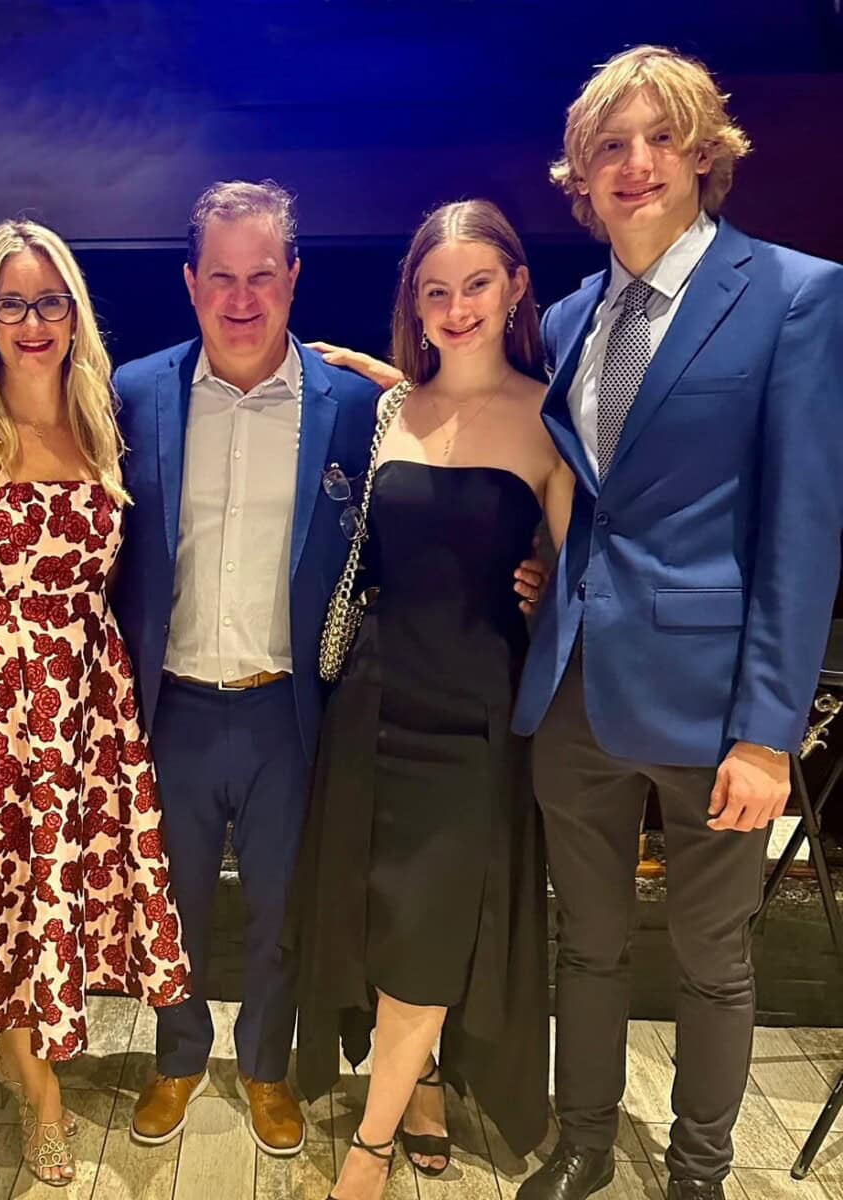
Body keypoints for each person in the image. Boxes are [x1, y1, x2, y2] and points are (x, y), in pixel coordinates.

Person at [110, 180, 549, 1157]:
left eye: (262, 274)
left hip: (293, 706)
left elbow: (439, 466)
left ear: (293, 276)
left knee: (282, 910)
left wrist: (541, 570)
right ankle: (179, 1056)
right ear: (190, 282)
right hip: (170, 706)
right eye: (220, 275)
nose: (241, 296)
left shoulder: (356, 405)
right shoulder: (132, 393)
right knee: (169, 904)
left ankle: (267, 1066)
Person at [508, 47, 843, 1200]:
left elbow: (802, 532)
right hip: (575, 693)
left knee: (711, 963)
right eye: (611, 145)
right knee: (586, 945)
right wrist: (549, 576)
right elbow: (592, 496)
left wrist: (768, 731)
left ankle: (700, 1174)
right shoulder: (566, 318)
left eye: (661, 138)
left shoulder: (797, 294)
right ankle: (587, 1142)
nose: (636, 163)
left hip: (713, 712)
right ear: (582, 178)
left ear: (706, 154)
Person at [0, 219, 190, 1187]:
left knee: (58, 903)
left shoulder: (106, 416)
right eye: (11, 303)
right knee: (11, 906)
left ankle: (32, 1059)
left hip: (88, 700)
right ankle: (45, 1100)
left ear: (74, 313)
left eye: (49, 301)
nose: (33, 322)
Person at [292, 200, 570, 1200]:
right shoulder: (387, 412)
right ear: (415, 301)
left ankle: (365, 1155)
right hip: (372, 697)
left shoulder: (551, 418)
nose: (457, 308)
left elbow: (583, 587)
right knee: (377, 910)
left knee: (434, 917)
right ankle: (416, 1093)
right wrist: (378, 373)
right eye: (436, 291)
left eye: (477, 285)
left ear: (515, 287)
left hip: (476, 716)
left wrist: (544, 576)